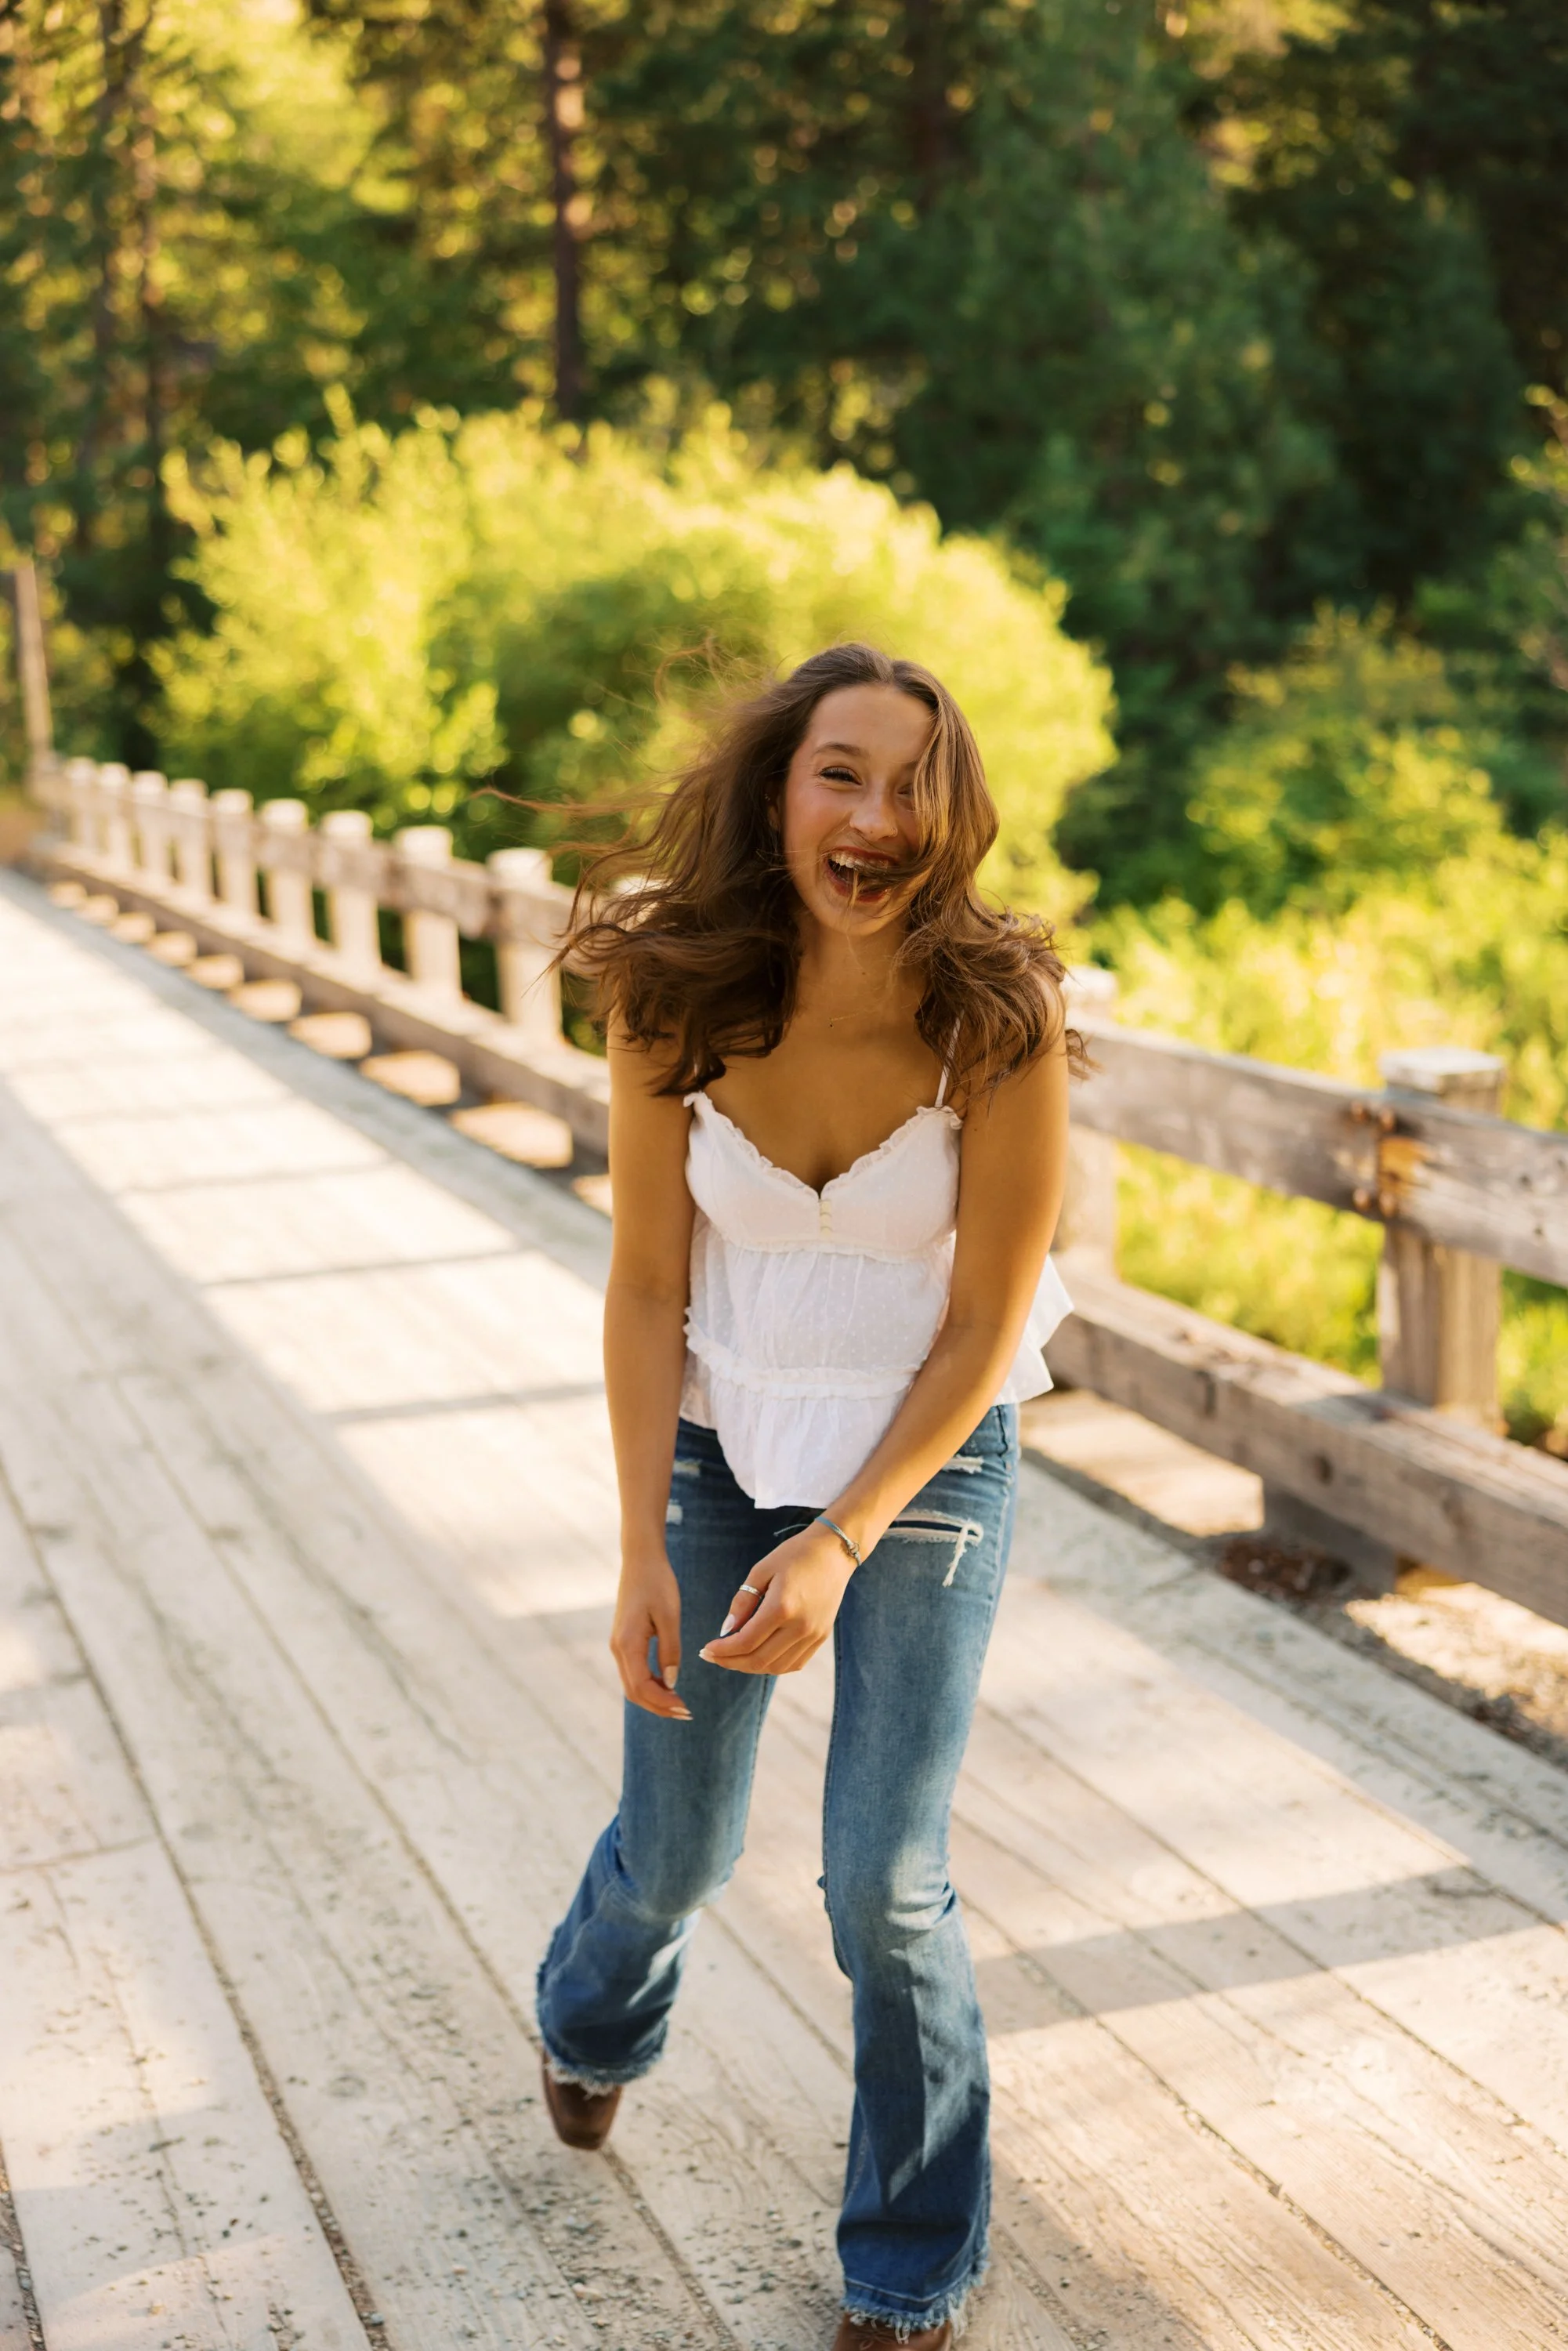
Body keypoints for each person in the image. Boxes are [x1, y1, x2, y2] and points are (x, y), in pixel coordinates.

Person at [535, 643, 1076, 2349]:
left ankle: (908, 2261)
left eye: (912, 782)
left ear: (954, 813)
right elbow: (642, 1290)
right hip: (717, 1445)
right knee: (679, 1849)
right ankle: (590, 2020)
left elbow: (987, 1322)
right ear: (780, 794)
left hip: (922, 1458)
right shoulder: (673, 994)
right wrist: (638, 1545)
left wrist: (842, 1536)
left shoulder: (998, 1018)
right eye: (840, 773)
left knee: (882, 1883)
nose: (876, 815)